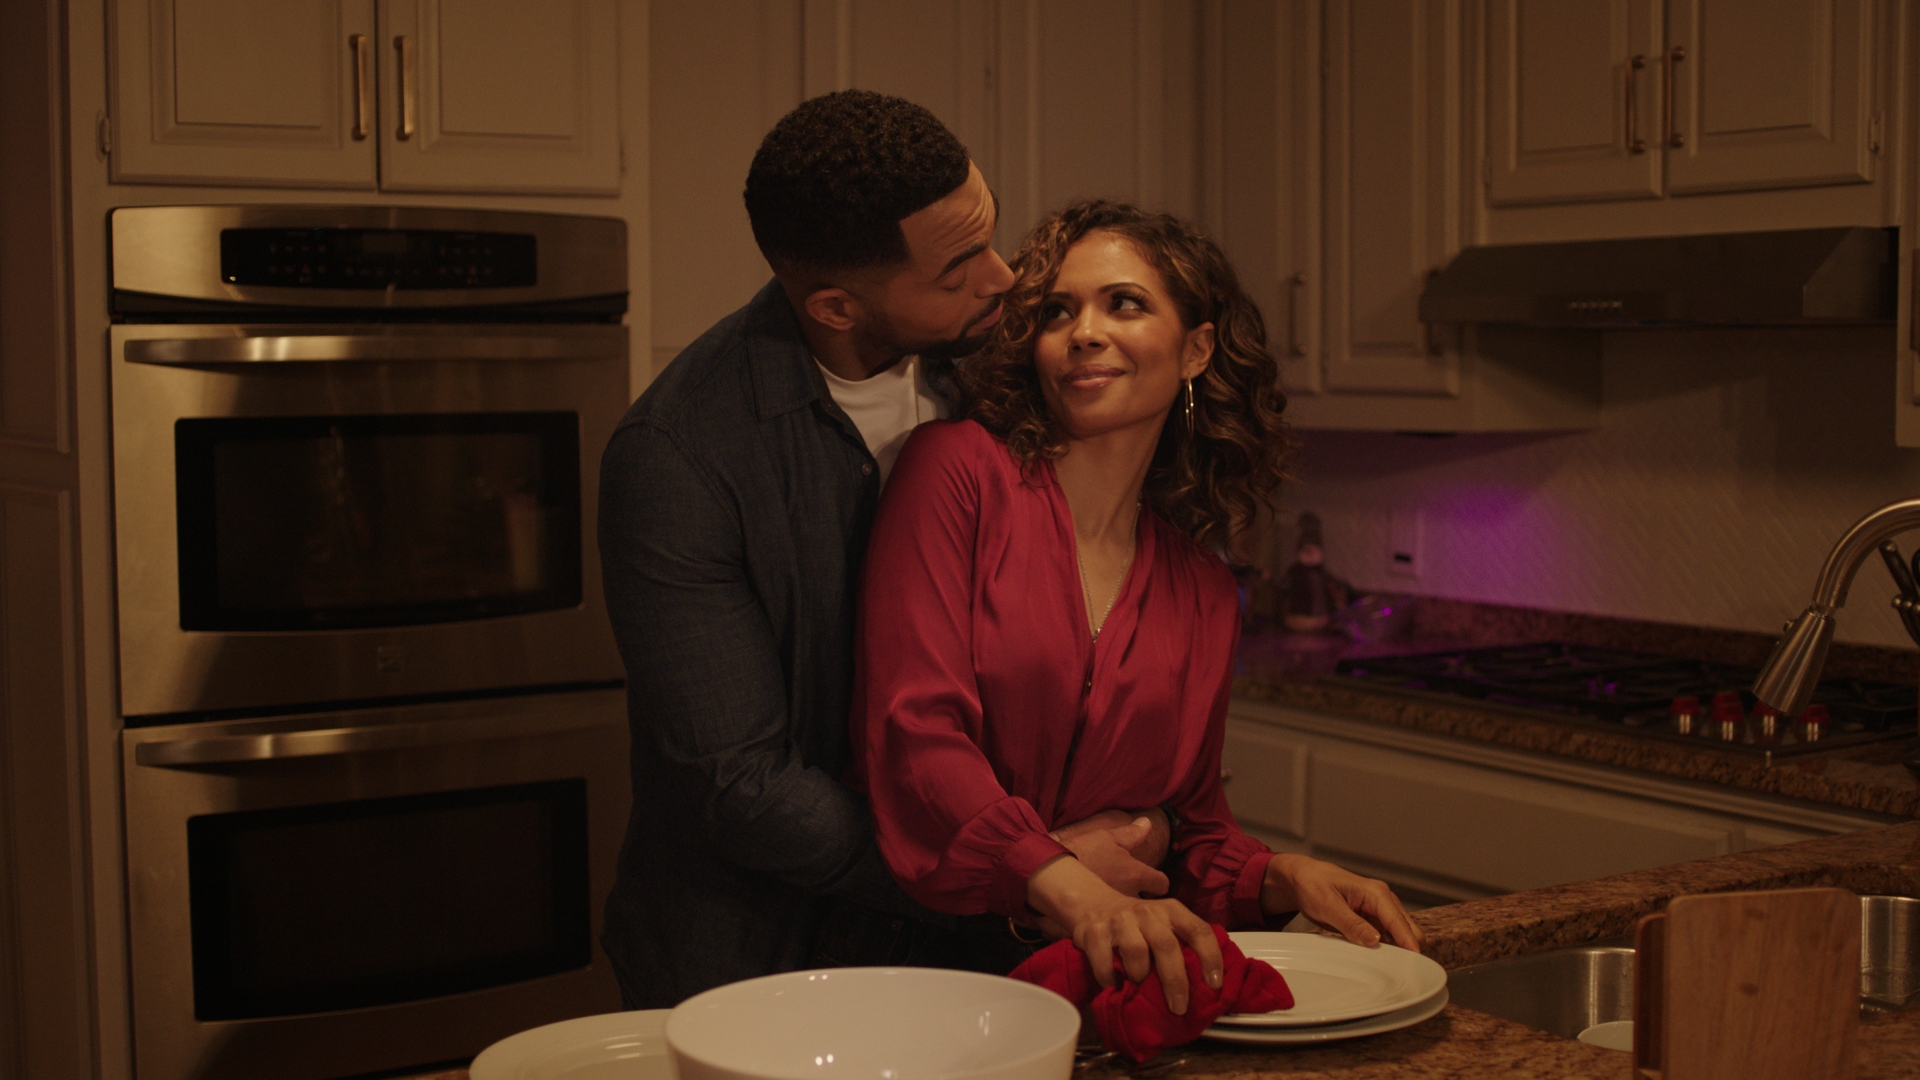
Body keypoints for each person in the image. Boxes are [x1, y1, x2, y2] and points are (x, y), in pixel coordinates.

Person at [598, 92, 1176, 1009]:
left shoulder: (992, 373)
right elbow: (741, 785)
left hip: (980, 950)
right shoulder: (680, 458)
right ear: (836, 305)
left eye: (990, 231)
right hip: (760, 959)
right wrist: (1028, 867)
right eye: (957, 269)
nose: (1001, 278)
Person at [851, 200, 1425, 1016]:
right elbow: (915, 733)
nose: (1084, 331)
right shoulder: (957, 475)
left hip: (1095, 993)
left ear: (1196, 349)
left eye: (1124, 303)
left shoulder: (1198, 586)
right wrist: (1075, 887)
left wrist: (1278, 874)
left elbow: (1191, 831)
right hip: (926, 976)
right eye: (1058, 311)